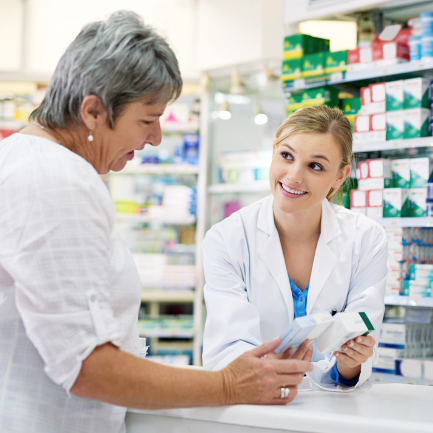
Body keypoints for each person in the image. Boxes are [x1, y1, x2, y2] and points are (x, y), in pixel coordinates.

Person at [0, 11, 313, 433]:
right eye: (147, 120)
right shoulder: (57, 181)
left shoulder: (25, 159)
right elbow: (87, 367)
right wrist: (228, 385)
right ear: (93, 111)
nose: (155, 138)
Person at [202, 105, 388, 391]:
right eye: (286, 156)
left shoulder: (366, 239)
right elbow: (228, 346)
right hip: (251, 405)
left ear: (339, 177)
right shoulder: (227, 239)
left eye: (316, 166)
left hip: (332, 410)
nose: (293, 176)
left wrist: (350, 361)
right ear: (274, 151)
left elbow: (355, 357)